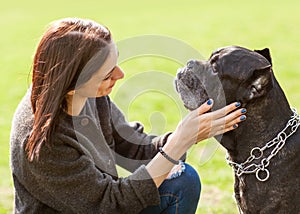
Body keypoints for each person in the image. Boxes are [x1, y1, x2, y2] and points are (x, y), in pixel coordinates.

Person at [10, 18, 247, 214]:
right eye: (107, 74)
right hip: (102, 207)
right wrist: (178, 144)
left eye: (116, 62)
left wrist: (191, 132)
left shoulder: (85, 93)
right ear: (71, 85)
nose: (120, 74)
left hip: (105, 204)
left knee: (183, 181)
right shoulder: (44, 142)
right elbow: (110, 204)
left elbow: (133, 146)